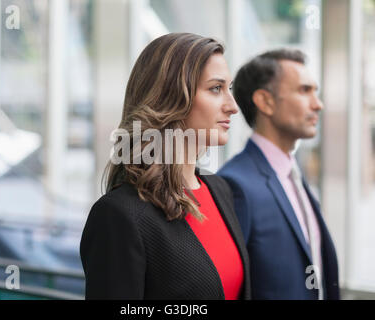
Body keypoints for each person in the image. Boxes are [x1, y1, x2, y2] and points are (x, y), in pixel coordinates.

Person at [80, 33, 251, 300]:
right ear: (171, 97)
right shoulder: (119, 215)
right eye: (216, 89)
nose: (232, 107)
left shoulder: (221, 190)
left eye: (229, 89)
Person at [218, 49, 339, 300]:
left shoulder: (294, 175)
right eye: (304, 90)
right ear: (266, 101)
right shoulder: (235, 184)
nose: (318, 104)